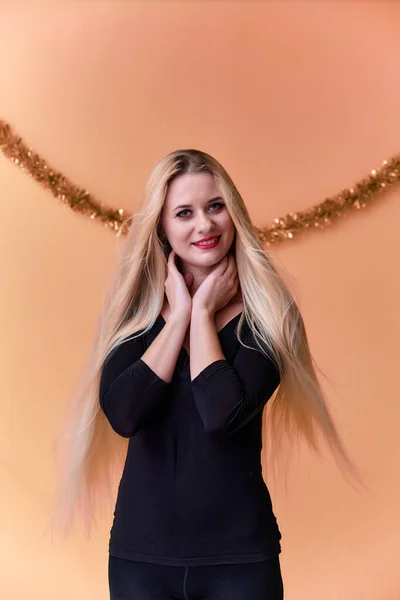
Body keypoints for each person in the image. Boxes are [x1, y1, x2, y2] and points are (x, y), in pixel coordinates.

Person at [48, 149, 361, 599]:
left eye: (215, 206)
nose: (205, 225)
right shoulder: (136, 317)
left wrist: (200, 315)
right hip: (141, 561)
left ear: (233, 212)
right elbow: (123, 413)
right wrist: (178, 320)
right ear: (162, 227)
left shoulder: (270, 317)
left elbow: (220, 411)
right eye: (184, 213)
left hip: (240, 562)